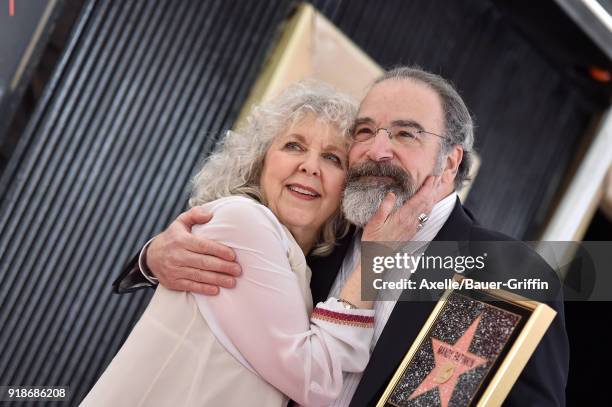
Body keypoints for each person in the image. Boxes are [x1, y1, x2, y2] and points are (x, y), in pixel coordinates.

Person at [115, 67, 570, 406]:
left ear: (450, 163)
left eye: (406, 134)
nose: (377, 149)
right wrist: (152, 257)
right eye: (365, 131)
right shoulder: (328, 229)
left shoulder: (501, 270)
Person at [84, 80, 437, 407]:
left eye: (332, 158)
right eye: (293, 146)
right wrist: (378, 258)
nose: (310, 167)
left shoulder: (316, 255)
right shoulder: (244, 222)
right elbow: (314, 381)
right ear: (259, 160)